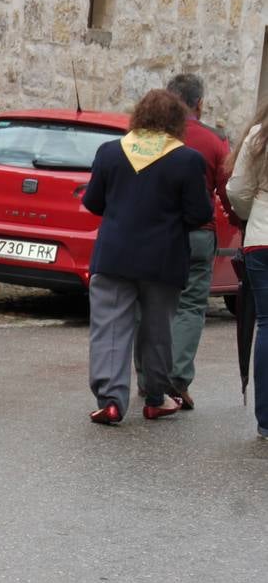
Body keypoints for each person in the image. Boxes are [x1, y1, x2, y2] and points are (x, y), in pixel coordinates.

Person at [84, 89, 211, 425]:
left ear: (138, 116)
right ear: (177, 122)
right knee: (157, 331)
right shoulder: (188, 159)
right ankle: (155, 398)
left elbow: (93, 202)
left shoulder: (111, 152)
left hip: (114, 255)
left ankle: (110, 400)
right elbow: (199, 213)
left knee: (109, 327)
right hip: (163, 258)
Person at [158, 73, 230, 409]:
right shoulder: (215, 141)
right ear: (199, 103)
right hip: (199, 233)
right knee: (190, 306)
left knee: (153, 303)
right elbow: (229, 189)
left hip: (155, 232)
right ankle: (176, 378)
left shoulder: (150, 136)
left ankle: (149, 378)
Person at [223, 99, 268, 438]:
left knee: (266, 324)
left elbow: (237, 190)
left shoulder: (258, 135)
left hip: (262, 237)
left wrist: (251, 212)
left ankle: (266, 419)